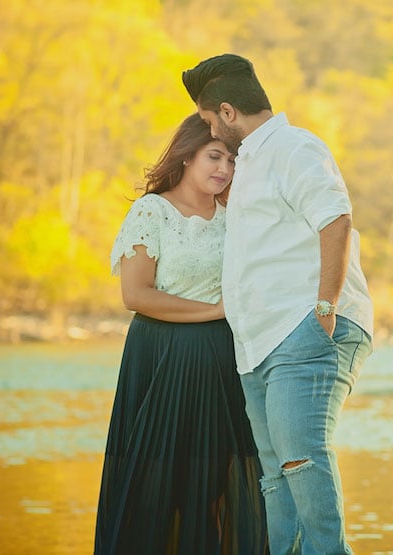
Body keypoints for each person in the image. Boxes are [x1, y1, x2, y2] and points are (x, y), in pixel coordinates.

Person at [182, 54, 374, 555]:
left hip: (304, 331)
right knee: (276, 476)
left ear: (227, 112)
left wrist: (324, 308)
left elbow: (336, 219)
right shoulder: (248, 167)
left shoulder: (294, 147)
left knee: (301, 461)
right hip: (259, 346)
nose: (211, 135)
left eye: (208, 123)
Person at [94, 113, 267, 555]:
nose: (224, 170)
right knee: (156, 483)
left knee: (212, 483)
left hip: (221, 360)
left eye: (232, 161)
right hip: (161, 357)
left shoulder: (236, 217)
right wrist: (213, 310)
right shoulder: (152, 211)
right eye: (215, 157)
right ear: (187, 156)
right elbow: (136, 295)